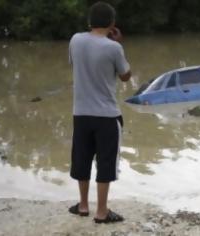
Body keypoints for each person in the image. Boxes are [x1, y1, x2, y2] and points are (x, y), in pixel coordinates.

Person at [68, 1, 131, 224]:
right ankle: (102, 212)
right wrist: (115, 44)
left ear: (89, 21)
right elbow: (125, 76)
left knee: (81, 159)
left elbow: (74, 64)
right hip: (106, 116)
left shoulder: (75, 40)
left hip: (81, 113)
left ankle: (83, 205)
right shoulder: (114, 48)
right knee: (105, 162)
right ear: (112, 23)